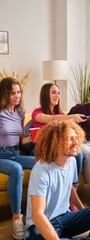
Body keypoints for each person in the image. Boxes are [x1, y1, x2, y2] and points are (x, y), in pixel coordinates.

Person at [25, 120, 90, 240]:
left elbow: (69, 188)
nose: (76, 142)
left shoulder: (71, 160)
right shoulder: (41, 170)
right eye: (69, 139)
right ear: (55, 142)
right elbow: (37, 215)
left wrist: (85, 213)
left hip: (65, 217)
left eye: (76, 138)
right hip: (40, 226)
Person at [0, 77, 35, 240]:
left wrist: (36, 137)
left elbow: (22, 140)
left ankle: (39, 210)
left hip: (15, 153)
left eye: (19, 92)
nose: (17, 96)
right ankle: (16, 217)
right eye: (12, 93)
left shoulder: (20, 113)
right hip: (1, 155)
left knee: (41, 162)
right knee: (16, 169)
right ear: (4, 94)